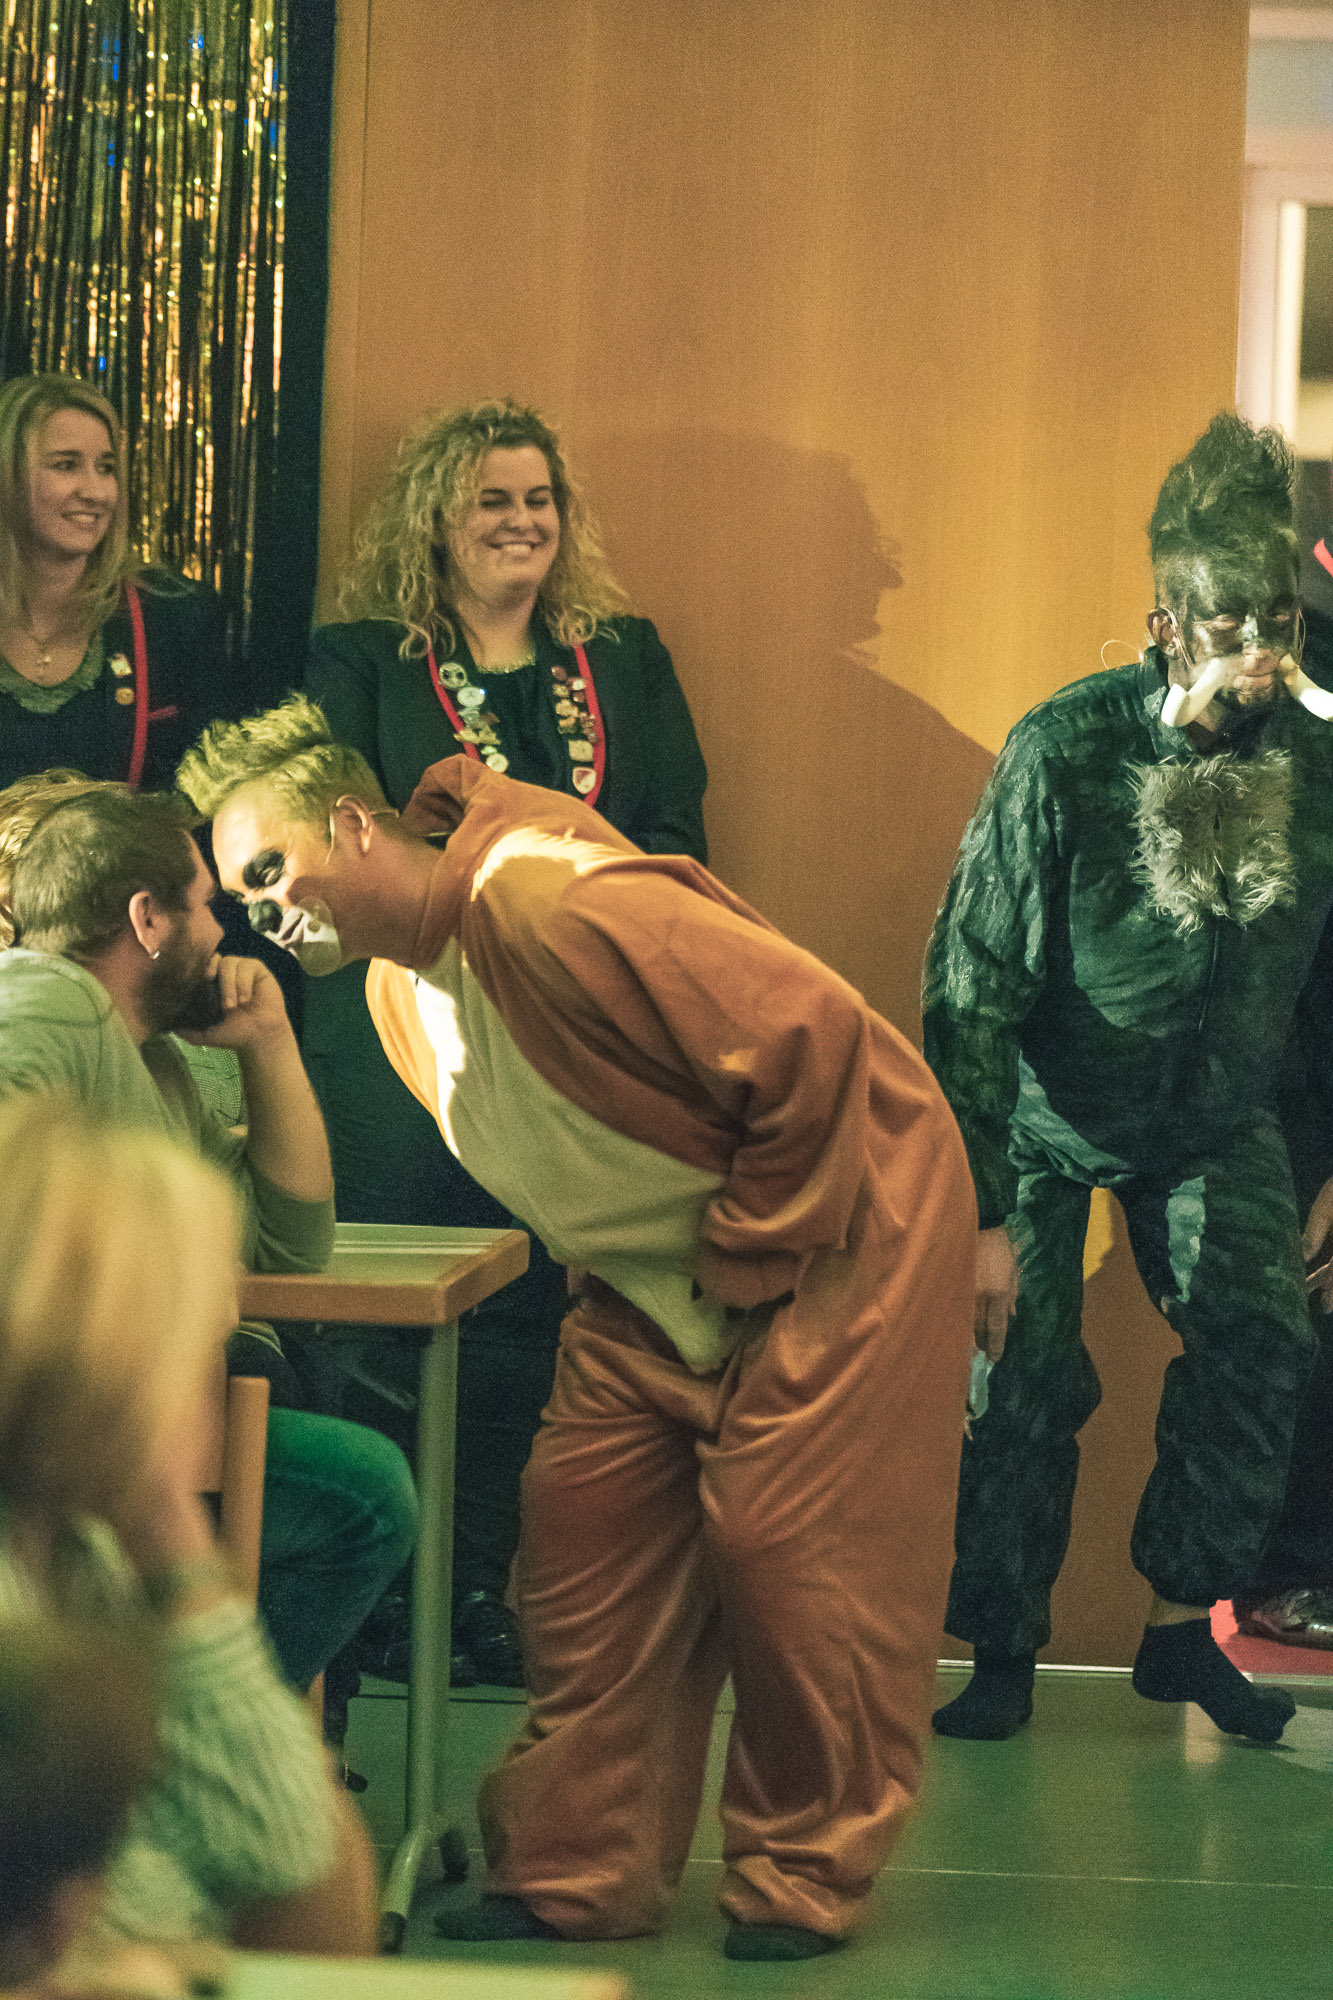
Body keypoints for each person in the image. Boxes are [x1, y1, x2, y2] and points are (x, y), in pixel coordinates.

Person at [177, 694, 975, 1964]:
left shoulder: (546, 894)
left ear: (355, 824)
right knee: (582, 1534)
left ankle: (800, 1875)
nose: (261, 908)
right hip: (653, 1277)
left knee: (796, 1560)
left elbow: (811, 1036)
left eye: (270, 866)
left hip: (837, 1232)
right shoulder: (395, 995)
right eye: (239, 892)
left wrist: (757, 1242)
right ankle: (571, 1862)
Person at [923, 412, 1333, 1745]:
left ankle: (1177, 1633)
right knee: (1022, 1381)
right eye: (1228, 627)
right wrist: (980, 1211)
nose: (1259, 654)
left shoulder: (1319, 761)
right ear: (1165, 626)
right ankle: (1000, 1650)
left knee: (1261, 1345)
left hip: (1218, 1121)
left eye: (1279, 623)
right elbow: (970, 982)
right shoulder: (1063, 749)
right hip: (1044, 1124)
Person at [304, 398, 708, 1684]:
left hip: (573, 1028)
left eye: (539, 500)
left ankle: (471, 1587)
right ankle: (371, 1597)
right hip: (402, 1026)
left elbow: (674, 829)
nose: (520, 522)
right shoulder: (360, 659)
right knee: (382, 1307)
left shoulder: (624, 658)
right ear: (437, 518)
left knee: (527, 1305)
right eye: (493, 500)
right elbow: (340, 833)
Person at [0, 778, 419, 1701]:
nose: (225, 934)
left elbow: (290, 1245)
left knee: (363, 1487)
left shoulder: (151, 1060)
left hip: (113, 1438)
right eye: (205, 906)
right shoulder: (46, 997)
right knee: (365, 1499)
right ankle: (176, 1748)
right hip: (43, 1446)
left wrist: (268, 1043)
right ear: (148, 918)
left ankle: (152, 1741)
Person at [0, 1095, 378, 1953]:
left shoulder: (76, 1546)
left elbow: (298, 1867)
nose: (225, 1331)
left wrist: (171, 1534)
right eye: (197, 1320)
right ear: (100, 1351)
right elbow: (83, 1930)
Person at [0, 373, 236, 792]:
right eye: (66, 465)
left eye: (106, 468)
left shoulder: (177, 613)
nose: (96, 492)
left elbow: (215, 796)